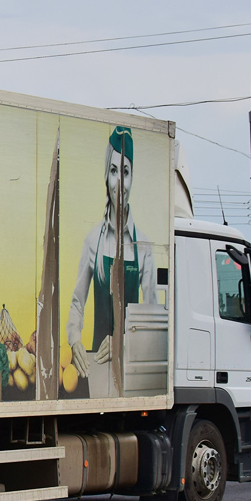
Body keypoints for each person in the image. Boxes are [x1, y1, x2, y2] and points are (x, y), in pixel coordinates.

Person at [66, 126, 157, 396]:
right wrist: (75, 341)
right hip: (98, 365)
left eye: (125, 172)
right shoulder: (94, 239)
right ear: (106, 176)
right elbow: (77, 303)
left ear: (132, 179)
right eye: (114, 171)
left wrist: (123, 341)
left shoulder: (144, 246)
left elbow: (151, 320)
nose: (119, 182)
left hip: (132, 368)